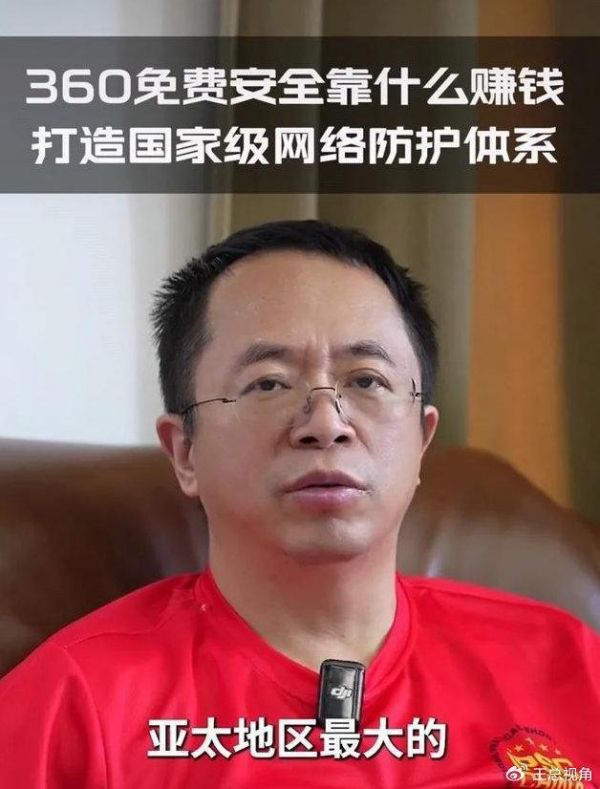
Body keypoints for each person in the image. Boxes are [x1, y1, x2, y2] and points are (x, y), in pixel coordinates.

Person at [0, 219, 598, 788]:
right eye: (268, 383)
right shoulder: (72, 703)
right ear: (184, 452)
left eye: (367, 380)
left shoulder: (567, 662)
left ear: (422, 439)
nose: (326, 424)